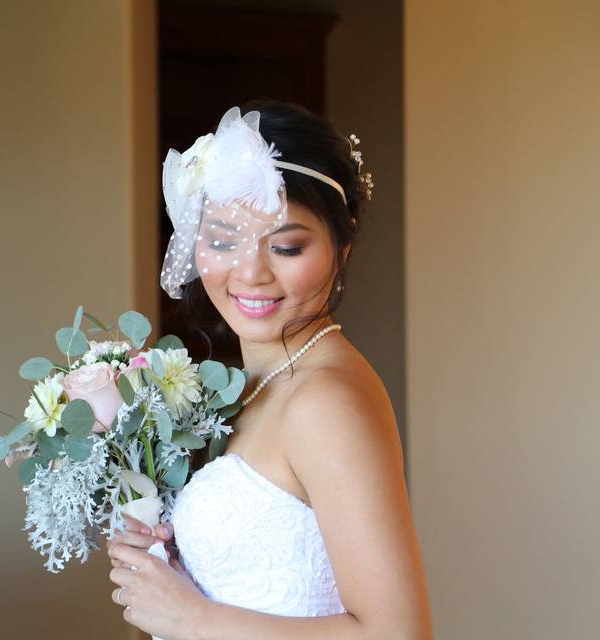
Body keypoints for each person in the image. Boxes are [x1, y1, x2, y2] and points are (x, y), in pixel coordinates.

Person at [106, 100, 432, 639]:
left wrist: (192, 618)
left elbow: (399, 634)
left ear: (341, 248)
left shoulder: (324, 400)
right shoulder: (256, 386)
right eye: (221, 240)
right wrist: (175, 571)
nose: (250, 271)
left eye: (285, 245)